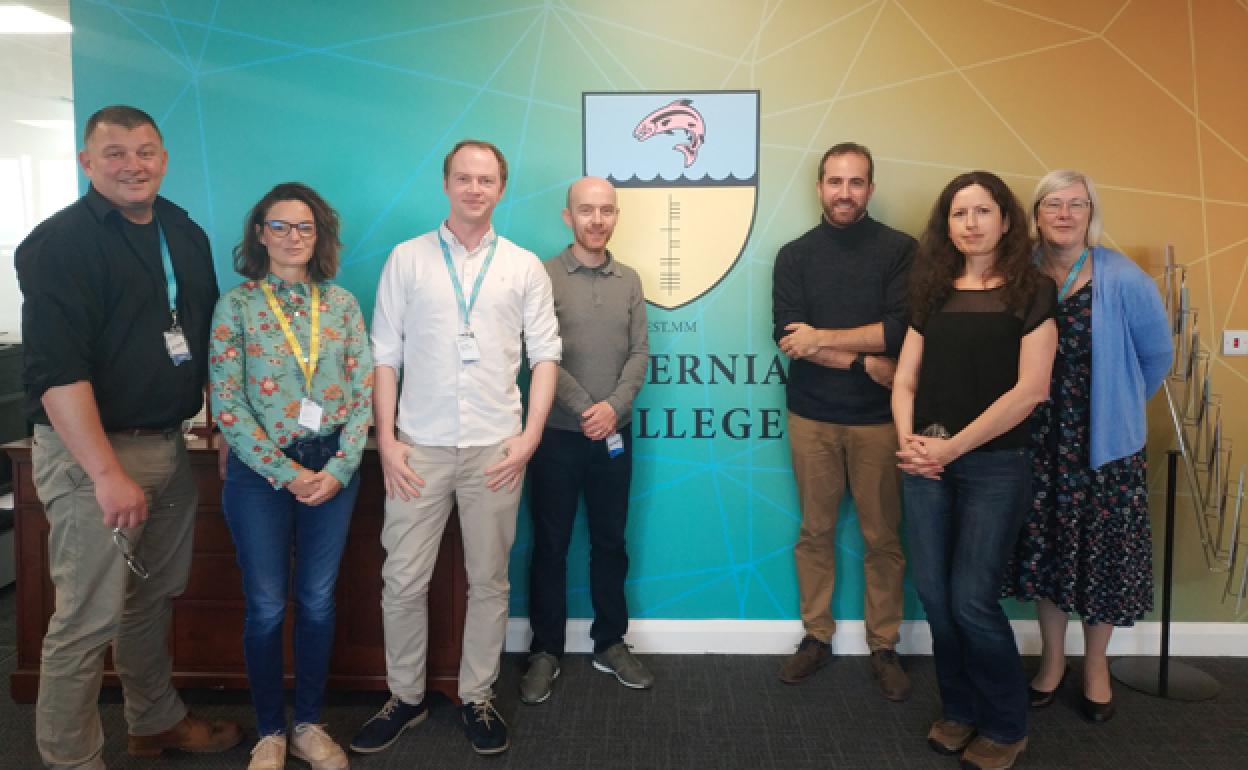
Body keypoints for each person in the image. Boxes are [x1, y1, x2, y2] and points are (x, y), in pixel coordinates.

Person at [15, 105, 241, 768]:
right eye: (115, 153)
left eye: (145, 151)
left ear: (163, 158)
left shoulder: (184, 232)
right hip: (95, 456)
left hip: (168, 448)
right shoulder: (59, 244)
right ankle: (71, 760)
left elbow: (209, 339)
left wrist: (223, 422)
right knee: (85, 622)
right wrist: (106, 473)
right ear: (87, 163)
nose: (132, 165)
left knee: (152, 599)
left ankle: (154, 721)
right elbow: (57, 373)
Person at [352, 140, 561, 757]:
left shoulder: (523, 266)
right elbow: (383, 355)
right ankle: (406, 698)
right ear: (446, 184)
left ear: (501, 189)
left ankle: (478, 697)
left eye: (487, 180)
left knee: (489, 582)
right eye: (464, 178)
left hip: (498, 450)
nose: (475, 188)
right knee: (403, 581)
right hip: (418, 448)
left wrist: (529, 438)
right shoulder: (408, 260)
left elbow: (545, 355)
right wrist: (385, 442)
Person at [892, 171, 1057, 770]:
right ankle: (959, 711)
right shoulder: (930, 290)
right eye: (960, 214)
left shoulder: (1032, 290)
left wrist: (951, 449)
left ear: (1007, 221)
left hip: (993, 465)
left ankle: (1006, 724)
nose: (971, 223)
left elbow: (1030, 391)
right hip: (925, 462)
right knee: (935, 598)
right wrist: (910, 441)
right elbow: (906, 378)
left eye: (983, 212)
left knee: (972, 601)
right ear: (947, 225)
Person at [209, 182, 374, 769]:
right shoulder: (237, 307)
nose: (292, 238)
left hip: (333, 469)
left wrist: (338, 467)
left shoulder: (343, 306)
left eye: (304, 227)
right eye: (280, 226)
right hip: (260, 477)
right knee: (266, 606)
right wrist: (287, 473)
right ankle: (270, 731)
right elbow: (228, 404)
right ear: (260, 233)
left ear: (318, 236)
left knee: (319, 600)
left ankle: (307, 722)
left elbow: (363, 397)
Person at [1003, 170, 1172, 723]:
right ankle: (1052, 662)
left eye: (1078, 204)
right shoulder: (1018, 275)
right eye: (1054, 203)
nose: (1065, 213)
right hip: (1038, 441)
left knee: (1102, 562)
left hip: (1104, 447)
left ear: (1091, 212)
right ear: (1036, 213)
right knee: (1048, 553)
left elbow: (1156, 357)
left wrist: (1119, 404)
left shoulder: (1123, 277)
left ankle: (1095, 666)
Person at [771, 142, 915, 700]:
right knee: (815, 533)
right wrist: (861, 360)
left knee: (883, 538)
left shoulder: (901, 251)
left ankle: (884, 644)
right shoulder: (795, 256)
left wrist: (824, 338)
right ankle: (816, 636)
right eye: (835, 182)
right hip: (812, 417)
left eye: (856, 183)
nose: (845, 193)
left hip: (882, 421)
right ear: (820, 188)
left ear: (870, 190)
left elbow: (900, 332)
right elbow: (788, 337)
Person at [519, 176, 651, 705]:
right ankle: (545, 650)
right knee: (549, 545)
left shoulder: (630, 279)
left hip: (614, 437)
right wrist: (585, 409)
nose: (597, 220)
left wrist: (613, 410)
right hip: (555, 437)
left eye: (606, 211)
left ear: (616, 216)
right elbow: (539, 353)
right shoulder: (542, 275)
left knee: (610, 543)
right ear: (567, 215)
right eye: (586, 211)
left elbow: (640, 353)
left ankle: (609, 642)